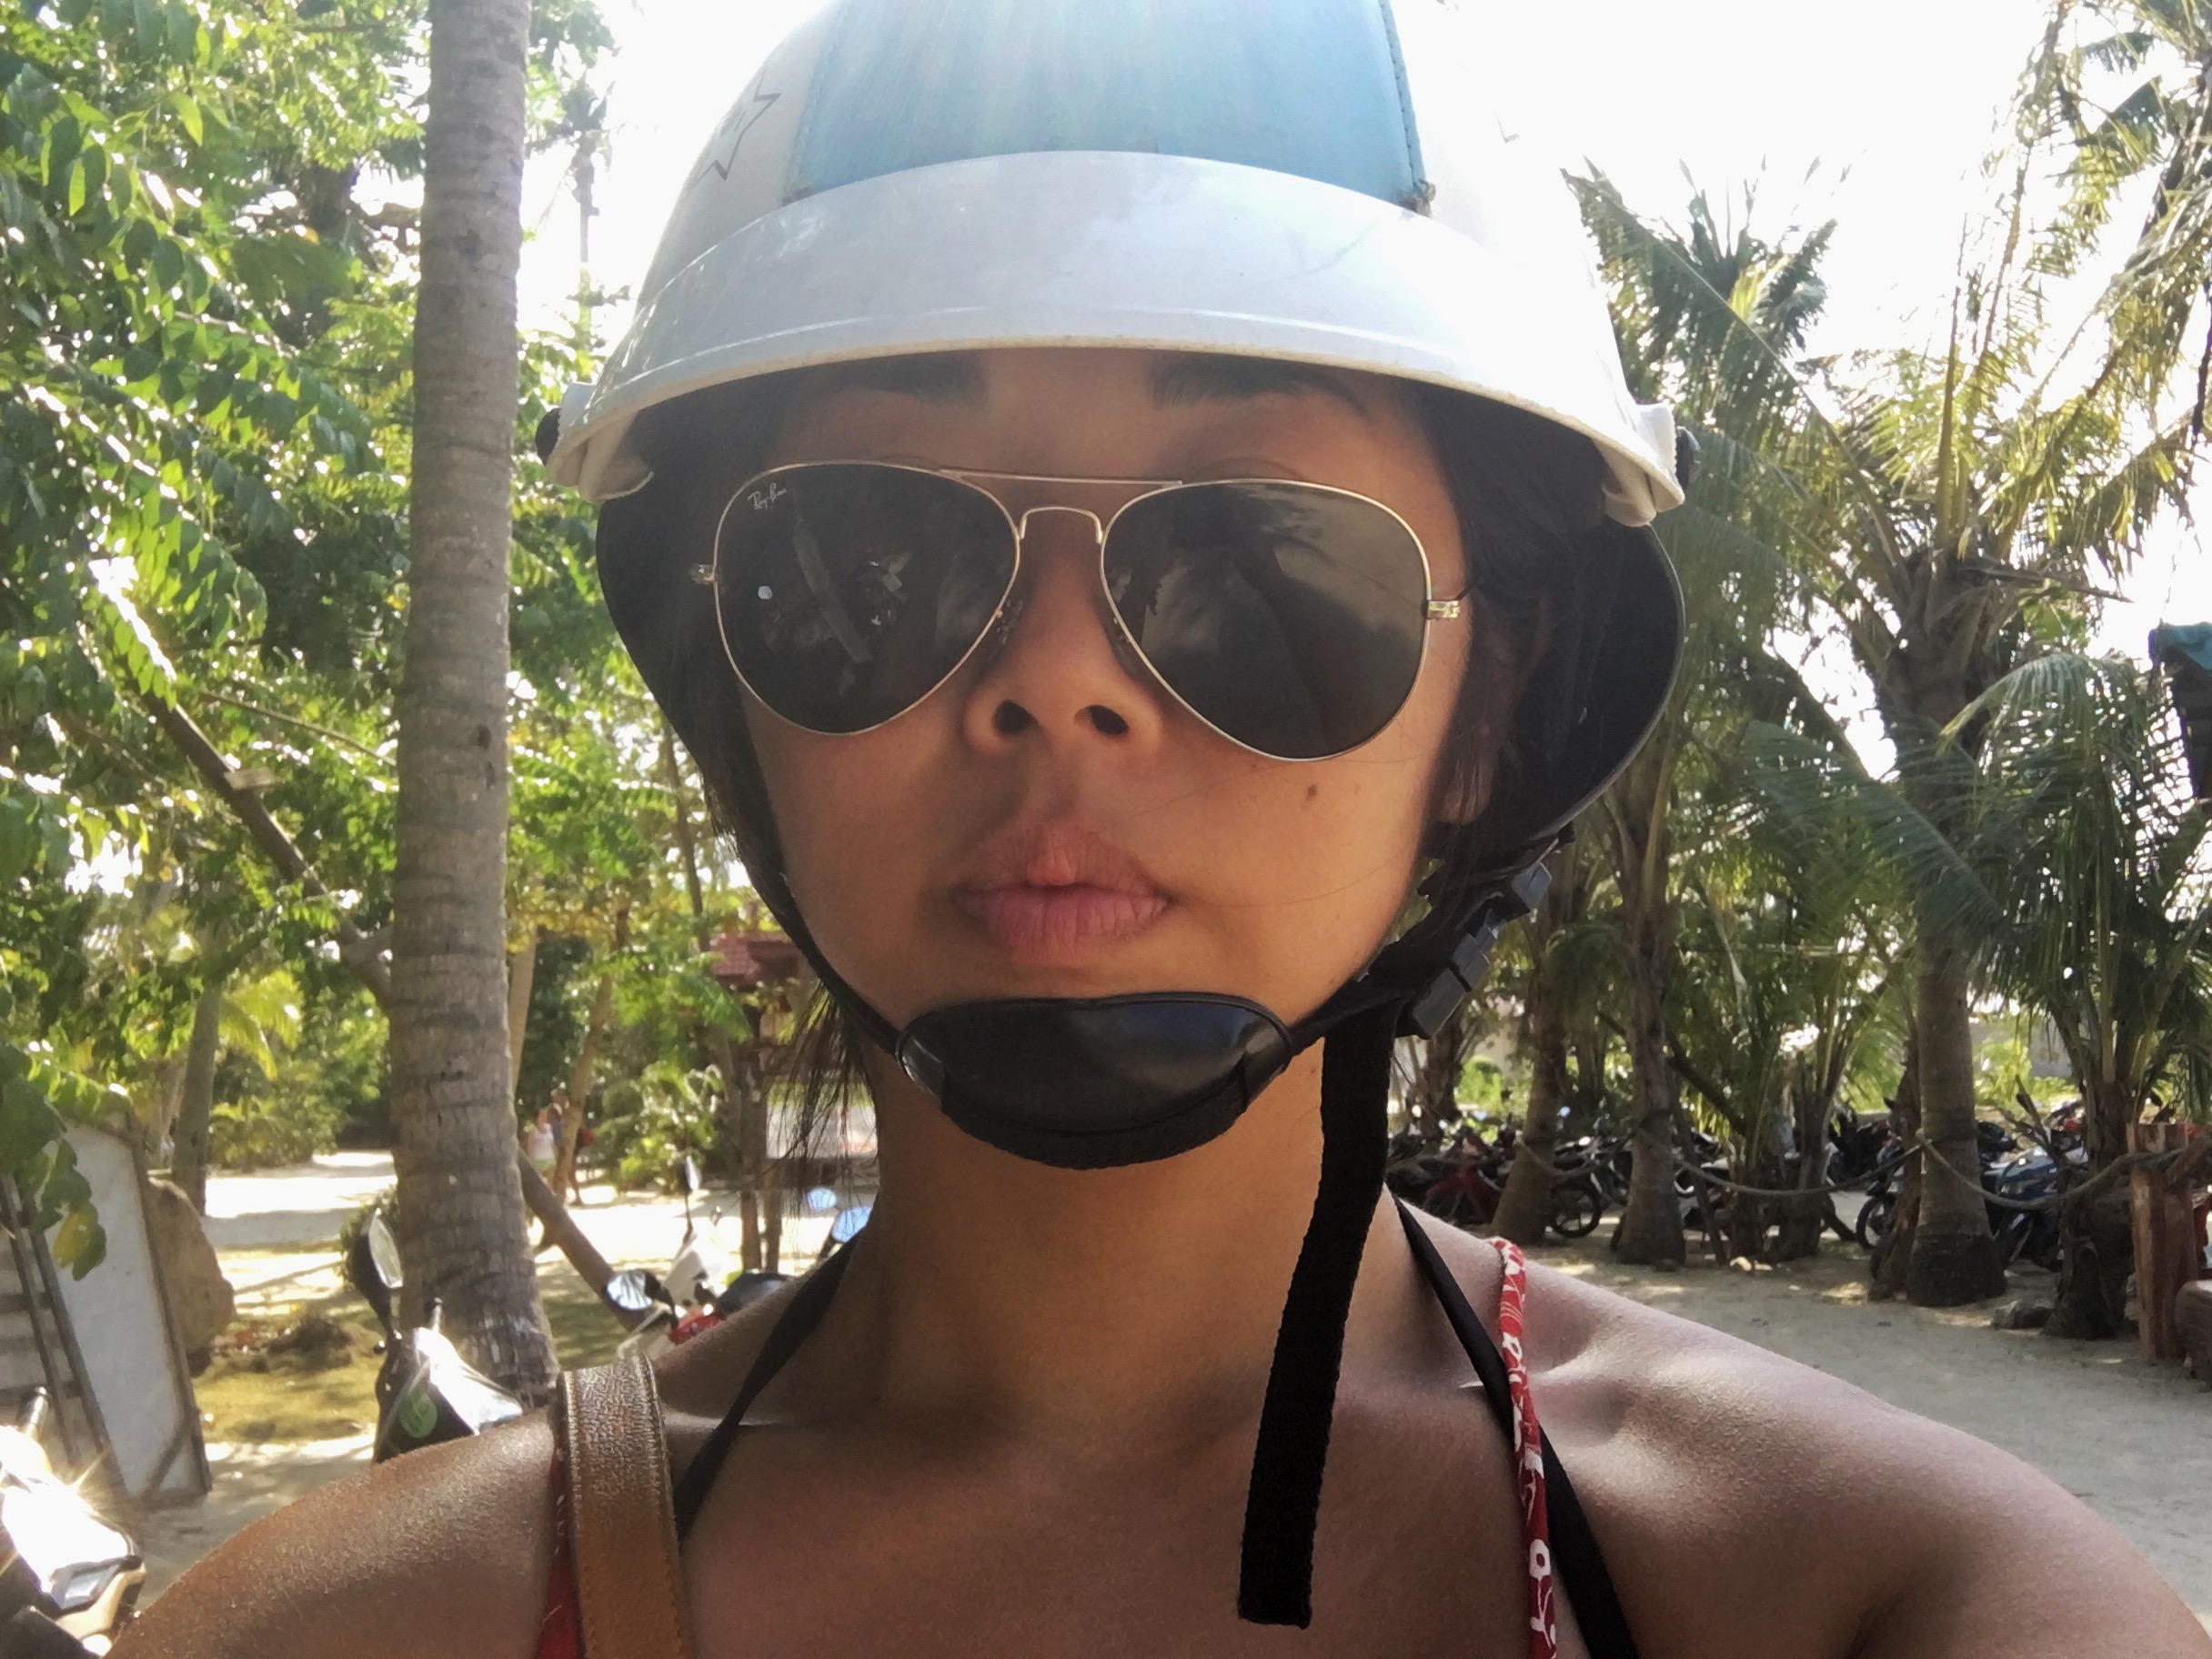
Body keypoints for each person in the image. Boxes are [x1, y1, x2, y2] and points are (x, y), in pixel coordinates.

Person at [124, 2, 2210, 1655]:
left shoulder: (1878, 1599)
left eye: (1262, 565)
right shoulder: (352, 1628)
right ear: (732, 696)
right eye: (868, 557)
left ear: (1485, 718)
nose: (1059, 678)